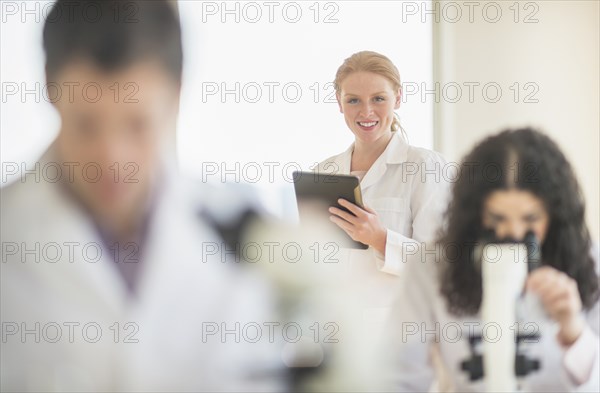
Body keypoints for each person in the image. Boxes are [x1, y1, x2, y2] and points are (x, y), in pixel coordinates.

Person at [0, 1, 281, 391]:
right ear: (49, 88)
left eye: (137, 125)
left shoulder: (242, 237)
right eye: (86, 124)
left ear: (177, 95)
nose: (112, 158)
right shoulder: (8, 229)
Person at [385, 128, 599, 391]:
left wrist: (574, 331)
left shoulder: (589, 263)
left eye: (531, 220)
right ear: (473, 215)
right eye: (497, 219)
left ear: (555, 215)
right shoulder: (431, 266)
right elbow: (398, 377)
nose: (514, 234)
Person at [314, 51, 450, 329]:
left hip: (399, 330)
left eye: (378, 98)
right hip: (336, 330)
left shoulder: (425, 166)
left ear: (397, 98)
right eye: (353, 100)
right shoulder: (323, 172)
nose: (366, 112)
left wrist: (380, 239)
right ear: (339, 103)